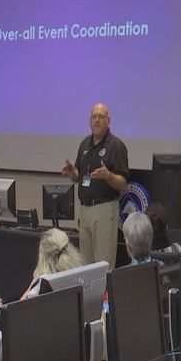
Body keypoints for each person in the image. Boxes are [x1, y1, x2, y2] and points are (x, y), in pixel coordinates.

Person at [62, 103, 129, 268]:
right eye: (94, 117)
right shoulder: (85, 144)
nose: (97, 120)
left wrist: (108, 176)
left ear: (108, 120)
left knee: (102, 265)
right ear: (90, 120)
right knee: (85, 265)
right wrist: (72, 173)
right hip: (85, 210)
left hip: (104, 209)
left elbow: (122, 183)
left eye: (101, 117)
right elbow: (79, 176)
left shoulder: (115, 146)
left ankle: (104, 295)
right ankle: (88, 295)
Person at [20, 228, 84, 299]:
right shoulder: (81, 275)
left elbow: (19, 307)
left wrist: (34, 281)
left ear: (43, 255)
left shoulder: (42, 283)